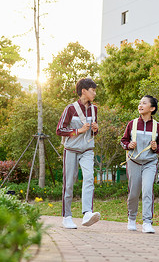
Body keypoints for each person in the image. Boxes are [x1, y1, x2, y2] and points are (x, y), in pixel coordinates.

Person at [56, 78, 101, 229]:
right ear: (84, 91)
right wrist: (78, 130)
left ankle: (87, 212)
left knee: (89, 178)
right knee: (69, 183)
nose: (94, 93)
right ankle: (67, 216)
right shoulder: (70, 109)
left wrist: (95, 129)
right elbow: (59, 130)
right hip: (71, 150)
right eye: (92, 90)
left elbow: (93, 133)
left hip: (87, 149)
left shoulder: (94, 109)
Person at [120, 95, 159, 233]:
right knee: (133, 192)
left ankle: (147, 222)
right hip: (133, 162)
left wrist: (155, 147)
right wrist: (129, 145)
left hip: (150, 163)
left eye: (144, 103)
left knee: (147, 191)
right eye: (140, 103)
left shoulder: (157, 127)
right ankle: (131, 219)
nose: (140, 105)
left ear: (152, 108)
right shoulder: (132, 124)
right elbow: (123, 141)